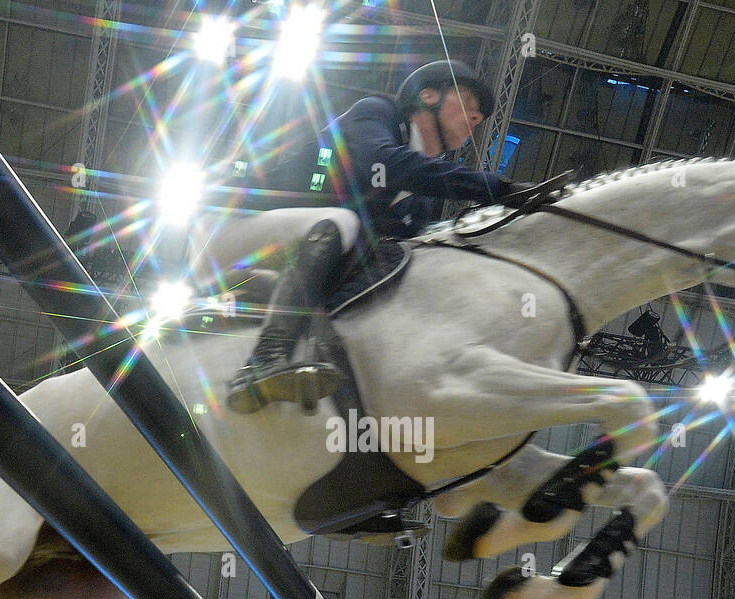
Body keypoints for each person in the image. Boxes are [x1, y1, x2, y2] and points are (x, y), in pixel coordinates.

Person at [211, 60, 536, 414]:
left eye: (480, 117)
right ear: (427, 95)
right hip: (236, 228)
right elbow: (388, 164)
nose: (477, 118)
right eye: (470, 104)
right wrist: (493, 187)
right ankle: (263, 360)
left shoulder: (420, 201)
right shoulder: (375, 114)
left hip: (291, 256)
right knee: (342, 221)